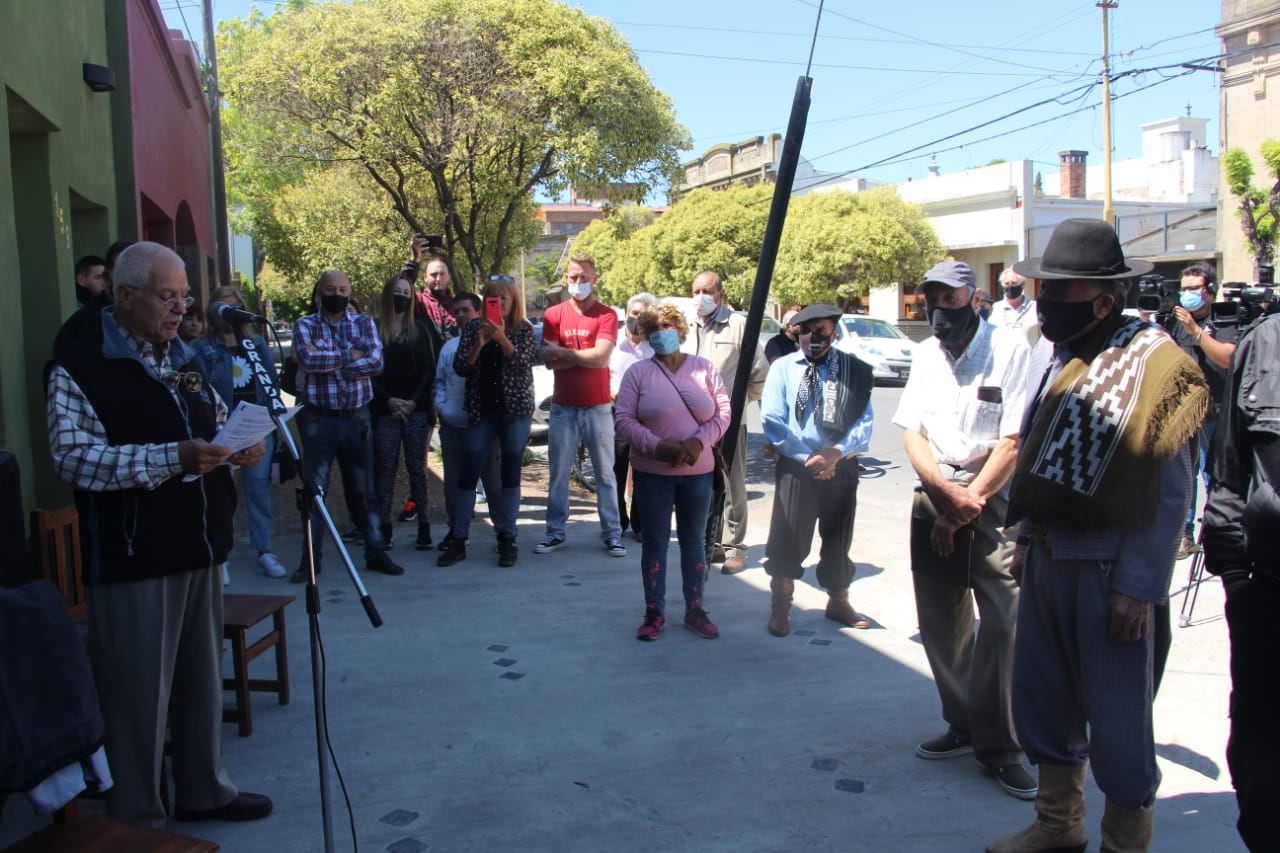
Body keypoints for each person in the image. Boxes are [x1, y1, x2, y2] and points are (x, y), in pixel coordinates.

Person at [987, 219, 1206, 853]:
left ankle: (1124, 843)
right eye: (1042, 288)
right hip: (1052, 561)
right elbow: (1038, 454)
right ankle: (1059, 827)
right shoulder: (1067, 355)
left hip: (1111, 575)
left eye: (1059, 290)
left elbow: (1169, 495)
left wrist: (1139, 587)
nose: (1045, 301)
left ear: (1104, 298)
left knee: (1117, 724)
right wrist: (1026, 537)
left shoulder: (1155, 368)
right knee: (1044, 704)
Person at [46, 241, 272, 825]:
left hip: (198, 544)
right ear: (124, 297)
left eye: (185, 297)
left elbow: (214, 420)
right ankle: (138, 816)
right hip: (133, 556)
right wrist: (170, 458)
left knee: (200, 684)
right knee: (137, 698)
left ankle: (205, 790)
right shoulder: (79, 362)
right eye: (166, 297)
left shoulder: (184, 355)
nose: (179, 310)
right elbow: (73, 459)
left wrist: (239, 446)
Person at [892, 261, 1035, 801]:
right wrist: (943, 495)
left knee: (1004, 625)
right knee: (941, 623)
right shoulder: (926, 354)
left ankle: (1004, 747)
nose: (939, 312)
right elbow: (912, 433)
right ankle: (963, 724)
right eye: (931, 300)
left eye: (949, 300)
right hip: (937, 493)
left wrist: (968, 503)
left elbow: (1013, 440)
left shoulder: (1011, 349)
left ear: (974, 298)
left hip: (991, 500)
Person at [1203, 309, 1280, 853]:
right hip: (1266, 592)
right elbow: (1228, 471)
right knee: (1261, 765)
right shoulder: (1265, 342)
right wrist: (1235, 575)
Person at [616, 302, 730, 640]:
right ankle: (654, 612)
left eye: (668, 326)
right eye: (655, 329)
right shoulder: (637, 374)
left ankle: (695, 608)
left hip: (698, 472)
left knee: (694, 542)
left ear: (680, 331)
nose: (662, 333)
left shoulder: (704, 369)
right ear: (647, 337)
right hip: (653, 473)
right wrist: (659, 447)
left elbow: (722, 412)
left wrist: (698, 443)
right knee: (655, 543)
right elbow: (624, 419)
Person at [760, 304, 876, 637]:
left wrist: (836, 454)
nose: (814, 336)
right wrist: (806, 457)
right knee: (788, 537)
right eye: (805, 330)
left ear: (834, 332)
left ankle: (838, 601)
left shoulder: (852, 370)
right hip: (797, 466)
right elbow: (772, 418)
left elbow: (864, 420)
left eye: (821, 329)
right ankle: (781, 606)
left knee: (839, 538)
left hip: (840, 465)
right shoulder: (783, 368)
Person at [292, 269, 404, 582]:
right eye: (331, 288)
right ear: (319, 292)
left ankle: (376, 552)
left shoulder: (365, 323)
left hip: (357, 419)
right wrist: (350, 355)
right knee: (316, 493)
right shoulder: (304, 325)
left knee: (364, 491)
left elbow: (375, 363)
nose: (337, 294)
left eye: (343, 289)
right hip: (319, 420)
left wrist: (328, 357)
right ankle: (310, 562)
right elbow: (307, 359)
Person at [439, 275, 537, 567]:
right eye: (492, 300)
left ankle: (507, 537)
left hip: (514, 412)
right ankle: (459, 539)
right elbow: (460, 368)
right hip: (482, 411)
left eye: (503, 299)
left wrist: (502, 339)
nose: (499, 304)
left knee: (510, 472)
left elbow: (524, 363)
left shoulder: (523, 329)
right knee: (468, 472)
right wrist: (480, 343)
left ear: (513, 301)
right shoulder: (472, 328)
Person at [192, 285, 288, 580]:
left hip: (256, 427)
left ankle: (264, 551)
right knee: (220, 493)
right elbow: (200, 392)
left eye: (233, 306)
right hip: (221, 430)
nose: (227, 313)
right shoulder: (202, 348)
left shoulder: (255, 344)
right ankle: (221, 555)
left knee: (258, 488)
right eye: (222, 306)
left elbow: (270, 381)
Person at [535, 253, 625, 557]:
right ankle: (555, 532)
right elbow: (548, 361)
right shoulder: (553, 314)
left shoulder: (606, 315)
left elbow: (601, 357)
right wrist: (581, 356)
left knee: (605, 474)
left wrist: (566, 353)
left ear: (594, 278)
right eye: (573, 277)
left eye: (583, 277)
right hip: (563, 408)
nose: (577, 283)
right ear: (566, 279)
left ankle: (613, 533)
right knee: (558, 472)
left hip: (597, 407)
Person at [688, 270, 768, 574]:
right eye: (695, 291)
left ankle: (735, 546)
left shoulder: (737, 325)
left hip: (730, 421)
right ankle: (714, 541)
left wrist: (736, 406)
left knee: (732, 485)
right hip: (694, 424)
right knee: (703, 484)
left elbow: (759, 373)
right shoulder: (688, 326)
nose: (700, 297)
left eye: (706, 291)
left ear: (720, 294)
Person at [1162, 262, 1236, 559]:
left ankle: (1219, 530)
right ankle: (1184, 535)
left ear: (1210, 290)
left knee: (1213, 473)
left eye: (1194, 289)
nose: (1188, 295)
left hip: (1216, 409)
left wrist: (1196, 331)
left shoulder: (1225, 318)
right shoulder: (1174, 320)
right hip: (1182, 408)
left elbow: (1227, 358)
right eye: (1184, 289)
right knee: (1183, 474)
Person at [371, 274, 437, 552]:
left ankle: (424, 524)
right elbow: (368, 372)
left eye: (406, 292)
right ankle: (384, 525)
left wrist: (413, 401)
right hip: (385, 410)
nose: (402, 296)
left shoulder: (420, 329)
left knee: (417, 469)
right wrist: (388, 400)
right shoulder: (374, 328)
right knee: (385, 469)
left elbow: (428, 371)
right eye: (397, 291)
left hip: (416, 410)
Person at [433, 293, 501, 555]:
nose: (460, 315)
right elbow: (439, 381)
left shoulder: (491, 343)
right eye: (457, 311)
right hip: (454, 426)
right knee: (455, 484)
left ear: (478, 312)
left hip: (484, 425)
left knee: (493, 484)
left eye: (466, 310)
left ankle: (503, 533)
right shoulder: (449, 348)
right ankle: (457, 532)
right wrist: (442, 408)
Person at [611, 292, 657, 540]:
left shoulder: (655, 345)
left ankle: (640, 524)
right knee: (616, 469)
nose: (637, 319)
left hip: (647, 417)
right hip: (617, 414)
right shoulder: (613, 343)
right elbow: (603, 376)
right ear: (626, 314)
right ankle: (617, 522)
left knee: (644, 470)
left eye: (643, 315)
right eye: (633, 314)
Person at [990, 269, 1041, 348]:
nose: (1010, 286)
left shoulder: (1035, 308)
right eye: (1007, 283)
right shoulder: (995, 309)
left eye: (1014, 283)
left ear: (1023, 284)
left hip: (1029, 358)